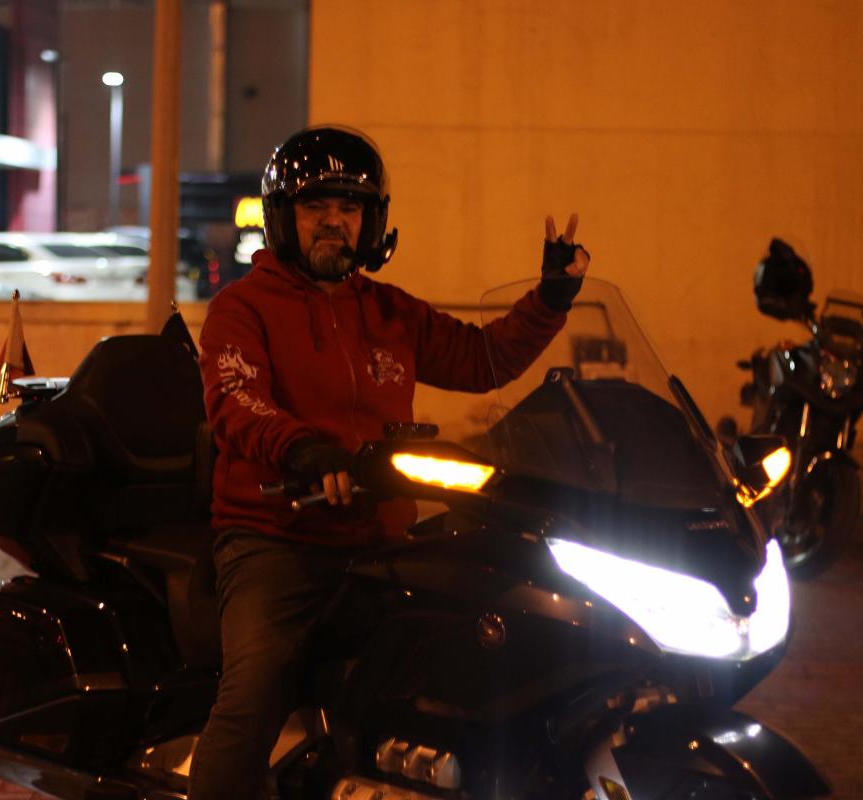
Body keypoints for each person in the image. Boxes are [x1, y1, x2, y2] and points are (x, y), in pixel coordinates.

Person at [189, 125, 590, 799]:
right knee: (254, 690)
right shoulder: (242, 308)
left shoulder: (389, 310)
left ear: (371, 221)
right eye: (316, 207)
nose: (334, 222)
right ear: (283, 217)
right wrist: (304, 449)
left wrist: (550, 298)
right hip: (277, 540)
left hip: (380, 540)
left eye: (349, 208)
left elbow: (481, 360)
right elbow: (237, 402)